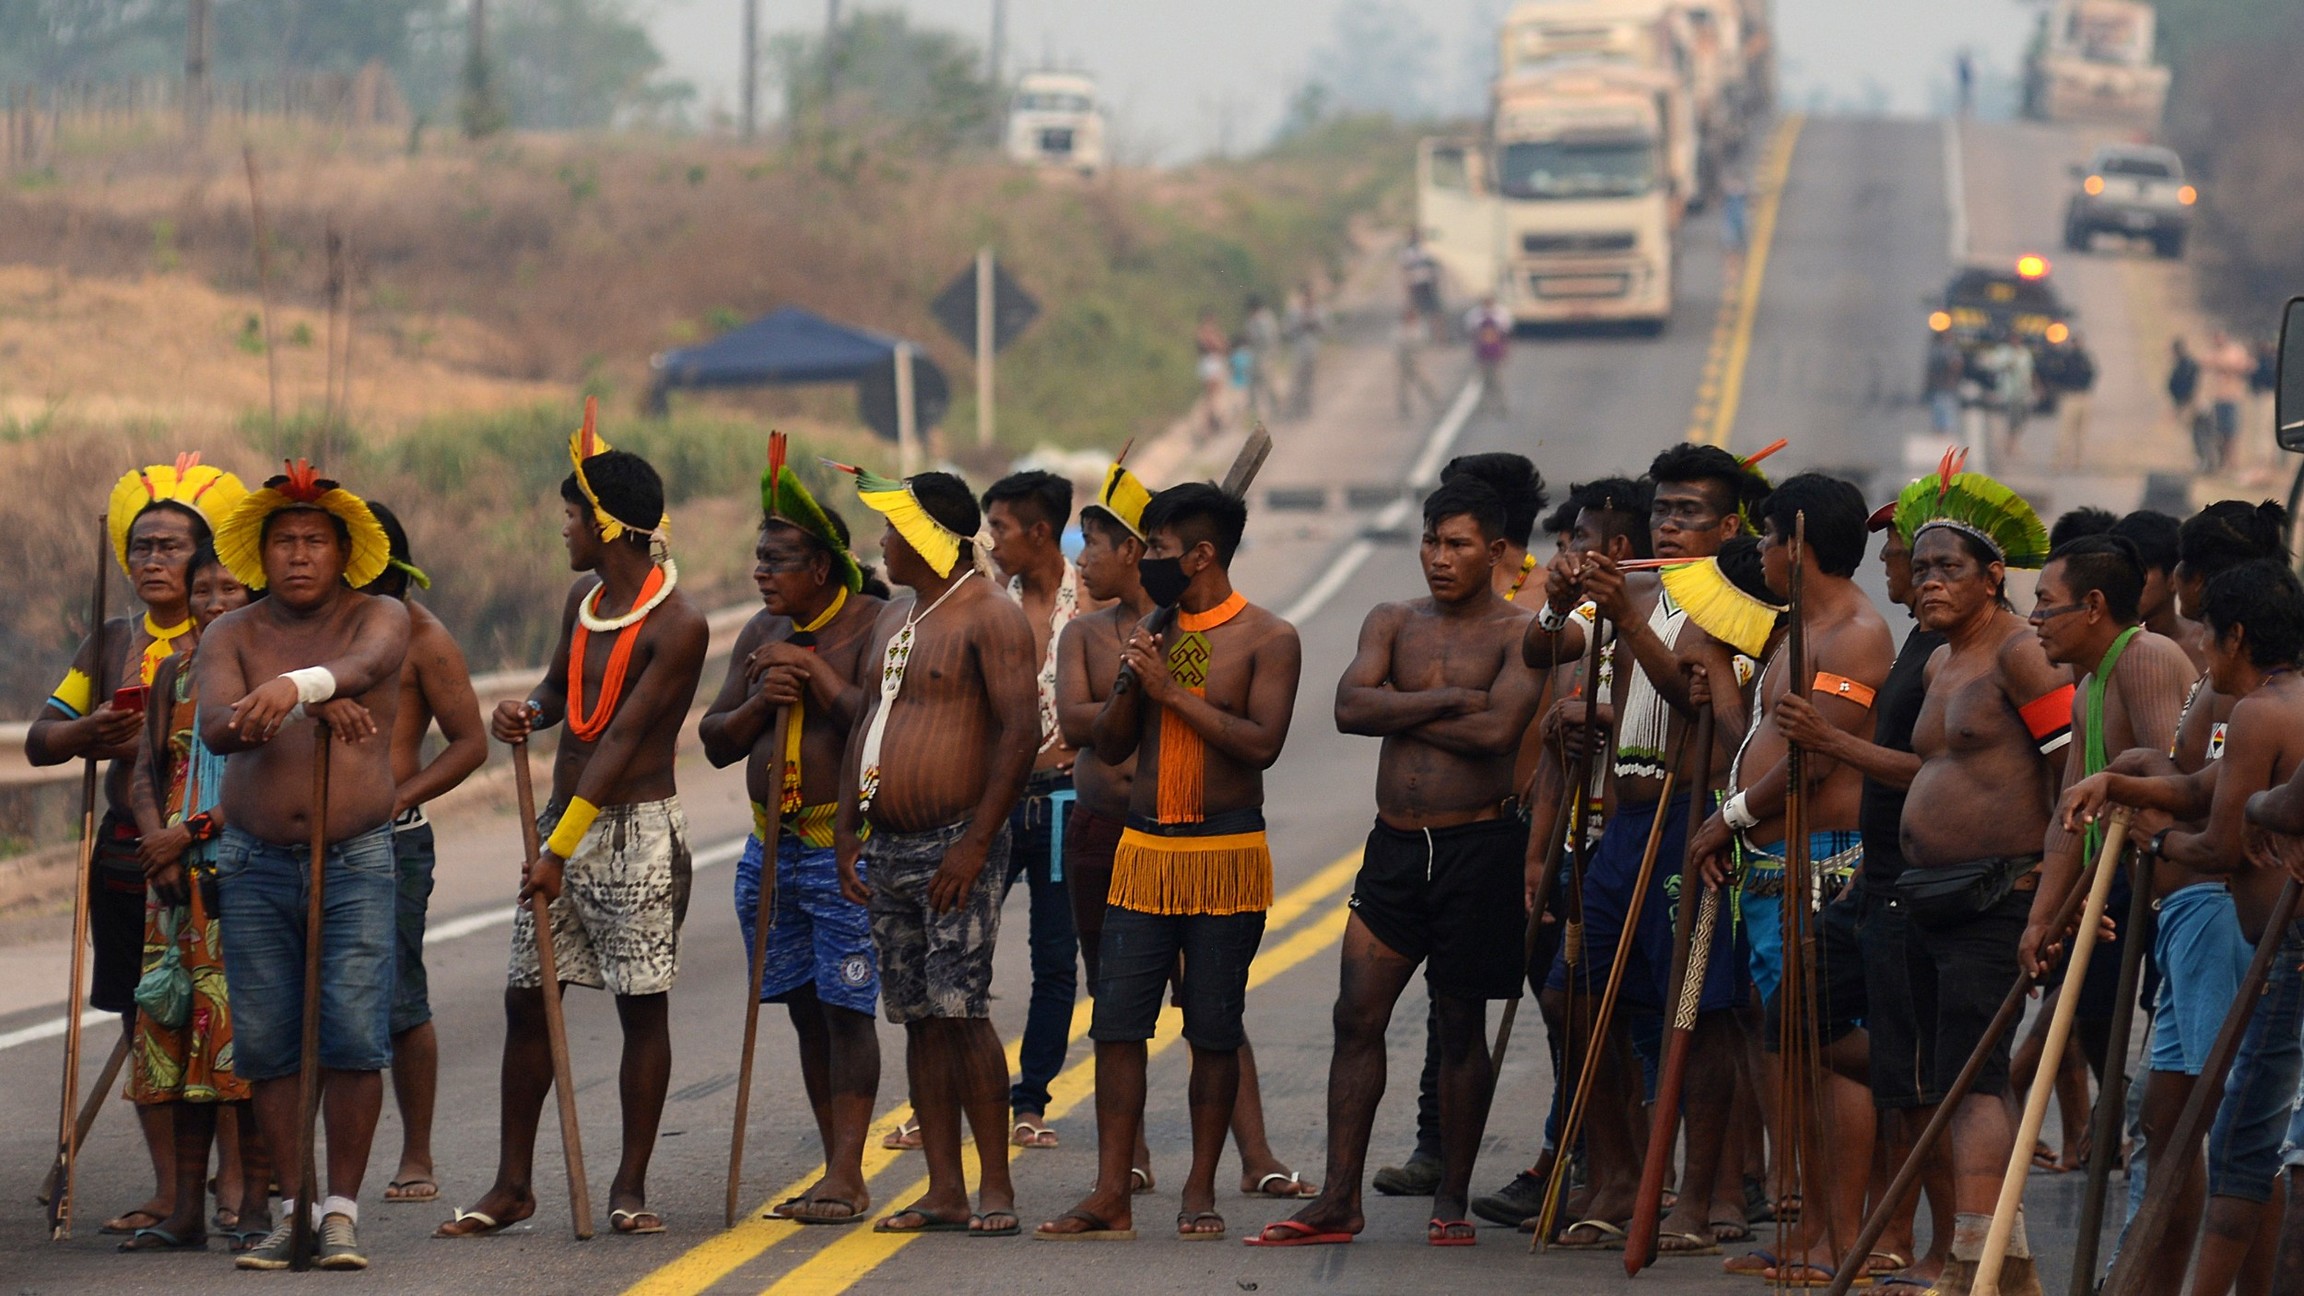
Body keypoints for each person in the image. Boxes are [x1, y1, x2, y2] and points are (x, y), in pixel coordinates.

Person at [447, 416, 708, 1239]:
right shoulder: (583, 599)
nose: (562, 529)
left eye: (570, 516)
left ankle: (628, 1186)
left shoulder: (682, 625)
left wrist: (556, 850)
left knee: (642, 1008)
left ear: (605, 525)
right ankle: (512, 1186)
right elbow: (566, 694)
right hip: (563, 823)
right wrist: (527, 711)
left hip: (632, 833)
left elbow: (623, 741)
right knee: (527, 1002)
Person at [1266, 478, 1544, 1249]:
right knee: (1356, 1015)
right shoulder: (1392, 618)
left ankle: (1451, 1197)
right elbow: (1350, 708)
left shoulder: (1520, 633)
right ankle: (1338, 1197)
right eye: (1430, 541)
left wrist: (1406, 702)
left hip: (1476, 849)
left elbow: (1498, 735)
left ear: (1493, 550)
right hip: (1394, 848)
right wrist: (1453, 699)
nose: (1438, 558)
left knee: (1460, 1025)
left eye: (1457, 545)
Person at [1038, 483, 1302, 1243]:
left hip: (1224, 852)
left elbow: (1261, 745)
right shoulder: (1149, 630)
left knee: (1213, 1028)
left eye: (1156, 550)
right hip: (1144, 850)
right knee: (1117, 1025)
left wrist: (1170, 691)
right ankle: (1109, 1192)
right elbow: (1113, 745)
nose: (1144, 562)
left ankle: (1199, 1189)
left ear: (1201, 555)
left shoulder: (1267, 636)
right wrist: (1133, 678)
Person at [1533, 446, 1764, 1252]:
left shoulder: (1738, 606)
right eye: (1662, 509)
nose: (1669, 524)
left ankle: (1700, 1197)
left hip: (1689, 819)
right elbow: (1541, 650)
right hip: (1622, 826)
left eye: (1689, 512)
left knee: (1693, 1014)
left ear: (1729, 526)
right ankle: (1623, 1174)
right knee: (1572, 995)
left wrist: (1629, 623)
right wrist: (1556, 606)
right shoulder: (1633, 587)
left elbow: (1726, 728)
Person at [2061, 560, 2304, 1296]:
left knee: (2241, 1146)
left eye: (2205, 637)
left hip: (2286, 954)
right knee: (2246, 1137)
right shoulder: (2268, 707)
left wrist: (2160, 845)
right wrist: (2124, 785)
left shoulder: (2265, 710)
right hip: (2275, 951)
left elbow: (2224, 842)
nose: (2199, 652)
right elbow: (2206, 789)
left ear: (2236, 636)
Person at [197, 461, 411, 1270]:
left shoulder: (378, 614)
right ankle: (294, 1208)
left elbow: (364, 667)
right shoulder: (231, 632)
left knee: (355, 1032)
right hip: (252, 860)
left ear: (343, 549)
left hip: (355, 855)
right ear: (261, 553)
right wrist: (277, 704)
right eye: (283, 541)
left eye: (314, 541)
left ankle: (343, 1213)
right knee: (267, 1041)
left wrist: (296, 687)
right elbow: (217, 724)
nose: (298, 555)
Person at [27, 456, 246, 1239]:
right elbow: (39, 739)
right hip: (128, 858)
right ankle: (168, 1191)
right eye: (142, 546)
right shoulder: (114, 641)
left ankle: (234, 1187)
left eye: (172, 547)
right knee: (144, 1016)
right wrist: (89, 734)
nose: (154, 560)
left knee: (223, 1020)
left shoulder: (231, 634)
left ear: (207, 560)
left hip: (220, 856)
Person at [1688, 474, 1896, 1285]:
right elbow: (1766, 743)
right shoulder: (1793, 631)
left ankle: (1840, 1235)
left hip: (1821, 864)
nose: (1762, 555)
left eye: (1770, 539)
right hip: (1773, 865)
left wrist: (1729, 818)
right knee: (1792, 1051)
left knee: (1820, 1050)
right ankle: (1812, 1225)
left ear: (1799, 545)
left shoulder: (1854, 634)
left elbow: (1815, 760)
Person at [834, 466, 1037, 1237]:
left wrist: (978, 843)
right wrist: (849, 830)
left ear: (926, 536)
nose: (881, 541)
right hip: (888, 847)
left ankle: (996, 1189)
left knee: (961, 1011)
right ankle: (943, 1189)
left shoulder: (990, 615)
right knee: (918, 1016)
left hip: (960, 843)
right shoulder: (895, 617)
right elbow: (866, 722)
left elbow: (1019, 734)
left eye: (891, 527)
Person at [1882, 456, 2064, 1296]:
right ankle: (2005, 1263)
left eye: (1948, 567)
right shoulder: (1939, 662)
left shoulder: (2021, 655)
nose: (1928, 583)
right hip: (1930, 898)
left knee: (1973, 1081)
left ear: (1995, 576)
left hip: (2000, 897)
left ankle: (1969, 1264)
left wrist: (2053, 898)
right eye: (1919, 568)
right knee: (1950, 1080)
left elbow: (2073, 783)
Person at [698, 436, 887, 1223]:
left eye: (776, 560)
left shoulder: (875, 624)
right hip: (766, 852)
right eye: (758, 557)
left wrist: (816, 676)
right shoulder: (756, 632)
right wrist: (758, 701)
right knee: (806, 1007)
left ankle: (850, 1171)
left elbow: (877, 728)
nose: (761, 572)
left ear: (822, 567)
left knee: (848, 1007)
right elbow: (713, 741)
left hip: (841, 849)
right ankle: (833, 1162)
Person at [1773, 498, 1950, 1284]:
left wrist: (1830, 743)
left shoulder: (1952, 650)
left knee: (1916, 1078)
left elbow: (1949, 774)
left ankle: (1914, 1240)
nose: (1890, 564)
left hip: (1912, 883)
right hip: (1872, 885)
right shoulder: (1918, 639)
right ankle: (1841, 1226)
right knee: (1800, 1024)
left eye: (1908, 552)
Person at [2009, 537, 2190, 1207]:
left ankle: (2152, 1171)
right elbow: (2072, 808)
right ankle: (2103, 1141)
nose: (2033, 620)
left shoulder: (2145, 660)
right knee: (2088, 1007)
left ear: (2092, 606)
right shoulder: (2088, 686)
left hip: (2170, 885)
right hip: (2112, 873)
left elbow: (2172, 788)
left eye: (2045, 605)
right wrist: (2043, 918)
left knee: (2170, 1064)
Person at [120, 540, 268, 1254]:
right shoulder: (174, 675)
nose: (212, 604)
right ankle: (183, 1210)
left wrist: (192, 833)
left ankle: (243, 1199)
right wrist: (156, 841)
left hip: (243, 873)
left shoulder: (269, 675)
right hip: (173, 887)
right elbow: (145, 772)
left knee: (236, 1048)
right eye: (202, 590)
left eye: (228, 591)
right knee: (172, 1035)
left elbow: (276, 783)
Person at [354, 503, 487, 1208]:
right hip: (303, 841)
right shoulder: (302, 630)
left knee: (399, 998)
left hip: (392, 841)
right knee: (305, 997)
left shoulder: (422, 637)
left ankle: (416, 1152)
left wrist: (399, 796)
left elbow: (470, 743)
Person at [982, 469, 1104, 1150]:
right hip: (993, 801)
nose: (991, 541)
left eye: (999, 527)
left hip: (1062, 797)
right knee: (961, 951)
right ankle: (944, 1093)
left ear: (1037, 532)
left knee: (1056, 956)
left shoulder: (1087, 602)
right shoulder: (984, 602)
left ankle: (1030, 1098)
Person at [2044, 335, 2097, 469]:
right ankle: (2058, 461)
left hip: (2083, 396)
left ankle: (2077, 461)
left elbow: (2092, 374)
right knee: (2065, 432)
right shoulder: (2066, 359)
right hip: (2070, 396)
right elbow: (2056, 375)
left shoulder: (2085, 359)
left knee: (2082, 433)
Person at [2207, 330, 2255, 473]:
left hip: (2233, 397)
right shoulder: (2214, 353)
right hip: (2218, 398)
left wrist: (2228, 367)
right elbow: (2205, 362)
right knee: (2218, 433)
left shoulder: (2235, 351)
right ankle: (2222, 462)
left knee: (2231, 433)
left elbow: (2248, 365)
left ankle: (2232, 462)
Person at [1393, 303, 1441, 419]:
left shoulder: (1419, 329)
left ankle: (1436, 404)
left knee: (1425, 383)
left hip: (1415, 360)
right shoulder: (1399, 329)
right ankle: (1404, 411)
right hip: (1403, 361)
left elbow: (1421, 343)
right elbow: (1396, 344)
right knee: (1402, 388)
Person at [1465, 298, 1510, 417]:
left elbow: (1503, 338)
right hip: (1484, 355)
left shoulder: (1498, 318)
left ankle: (1500, 406)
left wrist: (1503, 353)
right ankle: (1485, 407)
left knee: (1496, 381)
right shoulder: (1477, 319)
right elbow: (1475, 338)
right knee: (1486, 381)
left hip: (1494, 354)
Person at [1284, 284, 1323, 419]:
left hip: (1313, 350)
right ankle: (1296, 409)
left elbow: (1325, 328)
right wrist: (1301, 324)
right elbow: (1287, 330)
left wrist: (1314, 323)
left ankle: (1307, 408)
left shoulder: (1318, 311)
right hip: (1298, 350)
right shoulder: (1295, 312)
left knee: (1310, 381)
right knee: (1298, 380)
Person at [2168, 338, 2206, 471]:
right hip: (2183, 402)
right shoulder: (2181, 364)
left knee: (2193, 434)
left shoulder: (2187, 364)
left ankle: (2198, 460)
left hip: (2188, 403)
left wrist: (2185, 401)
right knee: (2188, 433)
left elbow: (2188, 385)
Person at [1244, 296, 1282, 419]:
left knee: (1268, 382)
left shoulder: (1263, 319)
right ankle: (1257, 410)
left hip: (1266, 355)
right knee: (1256, 383)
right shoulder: (1254, 320)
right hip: (1258, 355)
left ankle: (1276, 408)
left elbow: (1268, 338)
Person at [1400, 230, 1443, 333]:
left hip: (1427, 284)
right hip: (1416, 283)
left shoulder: (1427, 250)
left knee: (1435, 311)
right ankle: (1413, 334)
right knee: (1415, 311)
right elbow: (1404, 271)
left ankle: (1439, 336)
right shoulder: (1407, 253)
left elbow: (1434, 268)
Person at [1927, 333, 1966, 440]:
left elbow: (1957, 365)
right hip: (1939, 383)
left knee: (1948, 406)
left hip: (1949, 384)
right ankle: (1939, 430)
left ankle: (1947, 431)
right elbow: (1931, 367)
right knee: (1938, 405)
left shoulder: (1953, 351)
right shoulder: (1936, 349)